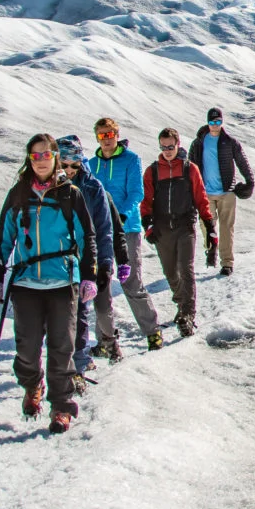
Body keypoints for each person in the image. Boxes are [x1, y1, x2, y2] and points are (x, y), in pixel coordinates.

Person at [0, 134, 99, 434]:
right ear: (29, 158)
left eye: (46, 155)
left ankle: (61, 406)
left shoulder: (70, 194)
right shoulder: (18, 194)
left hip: (63, 281)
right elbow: (4, 237)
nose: (41, 161)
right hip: (26, 283)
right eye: (35, 156)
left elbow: (87, 237)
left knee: (62, 347)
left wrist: (88, 275)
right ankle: (32, 384)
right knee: (26, 346)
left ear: (54, 157)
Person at [89, 117, 164, 351]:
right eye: (102, 135)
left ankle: (152, 332)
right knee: (100, 284)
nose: (106, 139)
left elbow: (136, 192)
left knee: (131, 281)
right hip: (99, 231)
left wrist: (120, 216)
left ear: (117, 134)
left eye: (110, 134)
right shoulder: (92, 164)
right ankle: (104, 339)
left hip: (126, 228)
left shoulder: (131, 159)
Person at [57, 135, 125, 374]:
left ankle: (79, 361)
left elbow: (104, 229)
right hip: (54, 260)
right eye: (64, 165)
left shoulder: (92, 187)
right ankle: (59, 363)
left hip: (84, 259)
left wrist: (106, 263)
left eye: (74, 165)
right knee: (57, 315)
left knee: (80, 312)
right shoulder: (47, 186)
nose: (69, 170)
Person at [141, 127, 216, 338]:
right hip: (163, 227)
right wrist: (148, 225)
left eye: (170, 146)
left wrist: (209, 225)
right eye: (163, 147)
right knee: (170, 272)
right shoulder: (152, 171)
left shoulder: (190, 169)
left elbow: (201, 198)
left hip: (185, 225)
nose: (167, 151)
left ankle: (187, 314)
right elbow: (146, 201)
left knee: (186, 268)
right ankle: (181, 303)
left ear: (178, 144)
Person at [189, 107, 255, 277]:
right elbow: (190, 167)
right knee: (205, 226)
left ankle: (227, 263)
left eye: (218, 122)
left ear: (222, 122)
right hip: (205, 193)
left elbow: (242, 161)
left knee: (227, 228)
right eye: (212, 122)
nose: (215, 125)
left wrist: (249, 180)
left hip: (227, 192)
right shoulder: (198, 143)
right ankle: (211, 249)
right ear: (207, 122)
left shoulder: (230, 142)